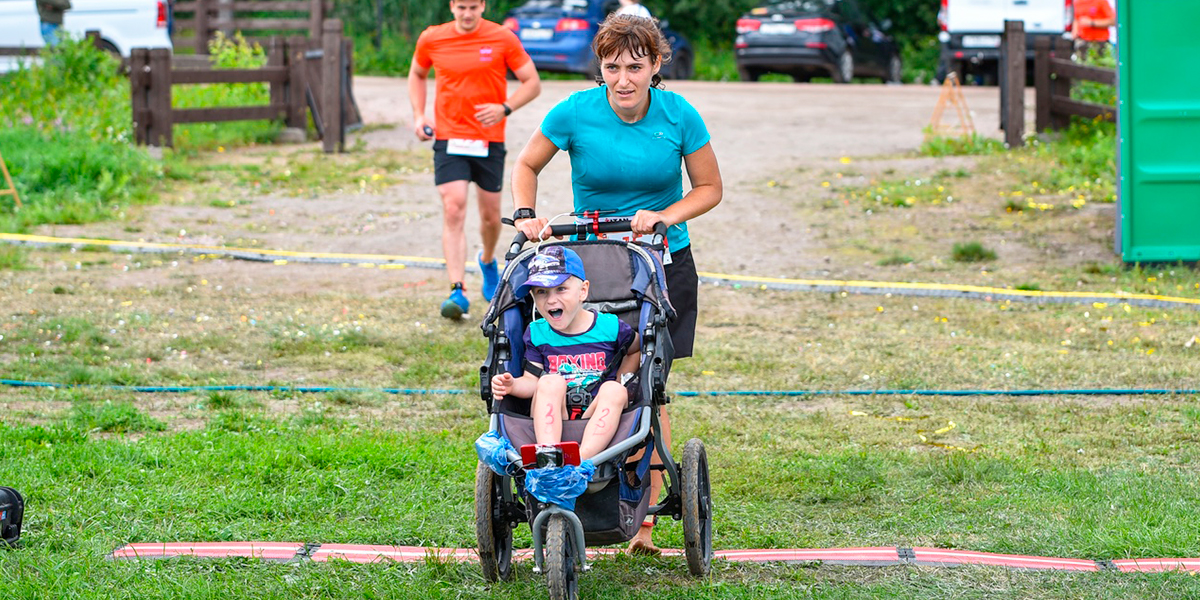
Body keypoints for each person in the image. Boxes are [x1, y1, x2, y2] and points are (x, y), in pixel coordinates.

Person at [509, 13, 722, 555]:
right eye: (612, 67)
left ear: (655, 66)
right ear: (598, 69)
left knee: (648, 384)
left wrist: (666, 215)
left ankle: (643, 517)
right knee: (576, 366)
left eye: (635, 66)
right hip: (594, 265)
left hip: (661, 262)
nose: (623, 79)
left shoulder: (678, 115)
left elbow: (710, 188)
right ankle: (567, 481)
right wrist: (528, 213)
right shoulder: (575, 112)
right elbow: (527, 164)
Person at [408, 0, 542, 320]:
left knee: (490, 217)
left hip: (488, 140)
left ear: (482, 5)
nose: (467, 14)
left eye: (473, 7)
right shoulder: (432, 38)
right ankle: (458, 290)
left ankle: (487, 259)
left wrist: (504, 108)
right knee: (453, 206)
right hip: (449, 137)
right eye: (461, 7)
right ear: (452, 6)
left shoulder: (502, 38)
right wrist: (418, 115)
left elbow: (532, 83)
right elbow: (417, 73)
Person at [490, 246, 640, 460]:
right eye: (541, 292)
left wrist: (621, 379)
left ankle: (582, 459)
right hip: (553, 415)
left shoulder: (610, 327)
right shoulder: (537, 333)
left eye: (561, 289)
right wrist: (512, 385)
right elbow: (532, 382)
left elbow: (635, 349)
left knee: (614, 390)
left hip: (596, 414)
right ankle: (549, 455)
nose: (551, 300)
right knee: (550, 382)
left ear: (583, 291)